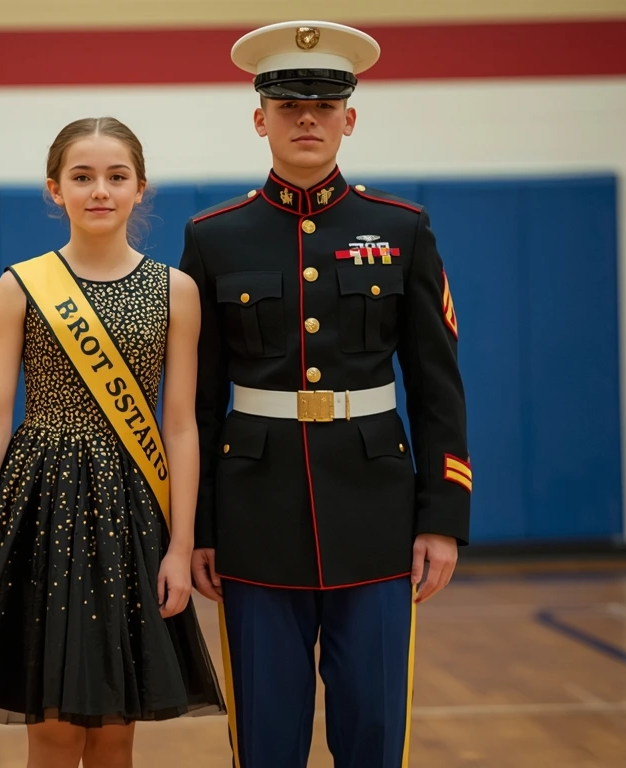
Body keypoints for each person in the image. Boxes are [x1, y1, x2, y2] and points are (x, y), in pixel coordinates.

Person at [0, 116, 226, 768]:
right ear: (55, 189)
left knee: (115, 732)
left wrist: (180, 547)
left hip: (132, 512)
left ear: (140, 188)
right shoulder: (20, 285)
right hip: (41, 507)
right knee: (52, 730)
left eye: (116, 176)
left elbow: (180, 426)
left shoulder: (175, 291)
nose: (100, 190)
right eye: (82, 176)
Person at [179, 20, 472, 768]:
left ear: (350, 117)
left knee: (374, 737)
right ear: (259, 119)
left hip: (376, 514)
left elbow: (438, 387)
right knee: (267, 742)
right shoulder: (215, 238)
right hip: (254, 520)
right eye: (286, 106)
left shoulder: (401, 230)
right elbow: (198, 404)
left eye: (324, 104)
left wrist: (443, 518)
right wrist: (200, 525)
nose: (306, 119)